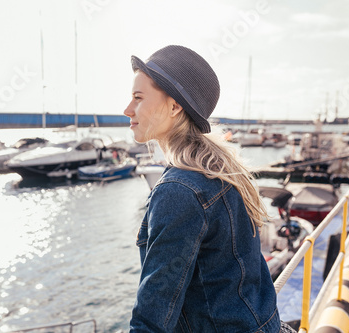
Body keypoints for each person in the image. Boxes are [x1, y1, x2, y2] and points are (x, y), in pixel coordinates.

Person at [124, 45, 296, 333]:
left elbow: (152, 316)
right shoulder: (224, 170)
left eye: (138, 98)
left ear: (175, 106)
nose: (128, 109)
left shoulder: (179, 191)